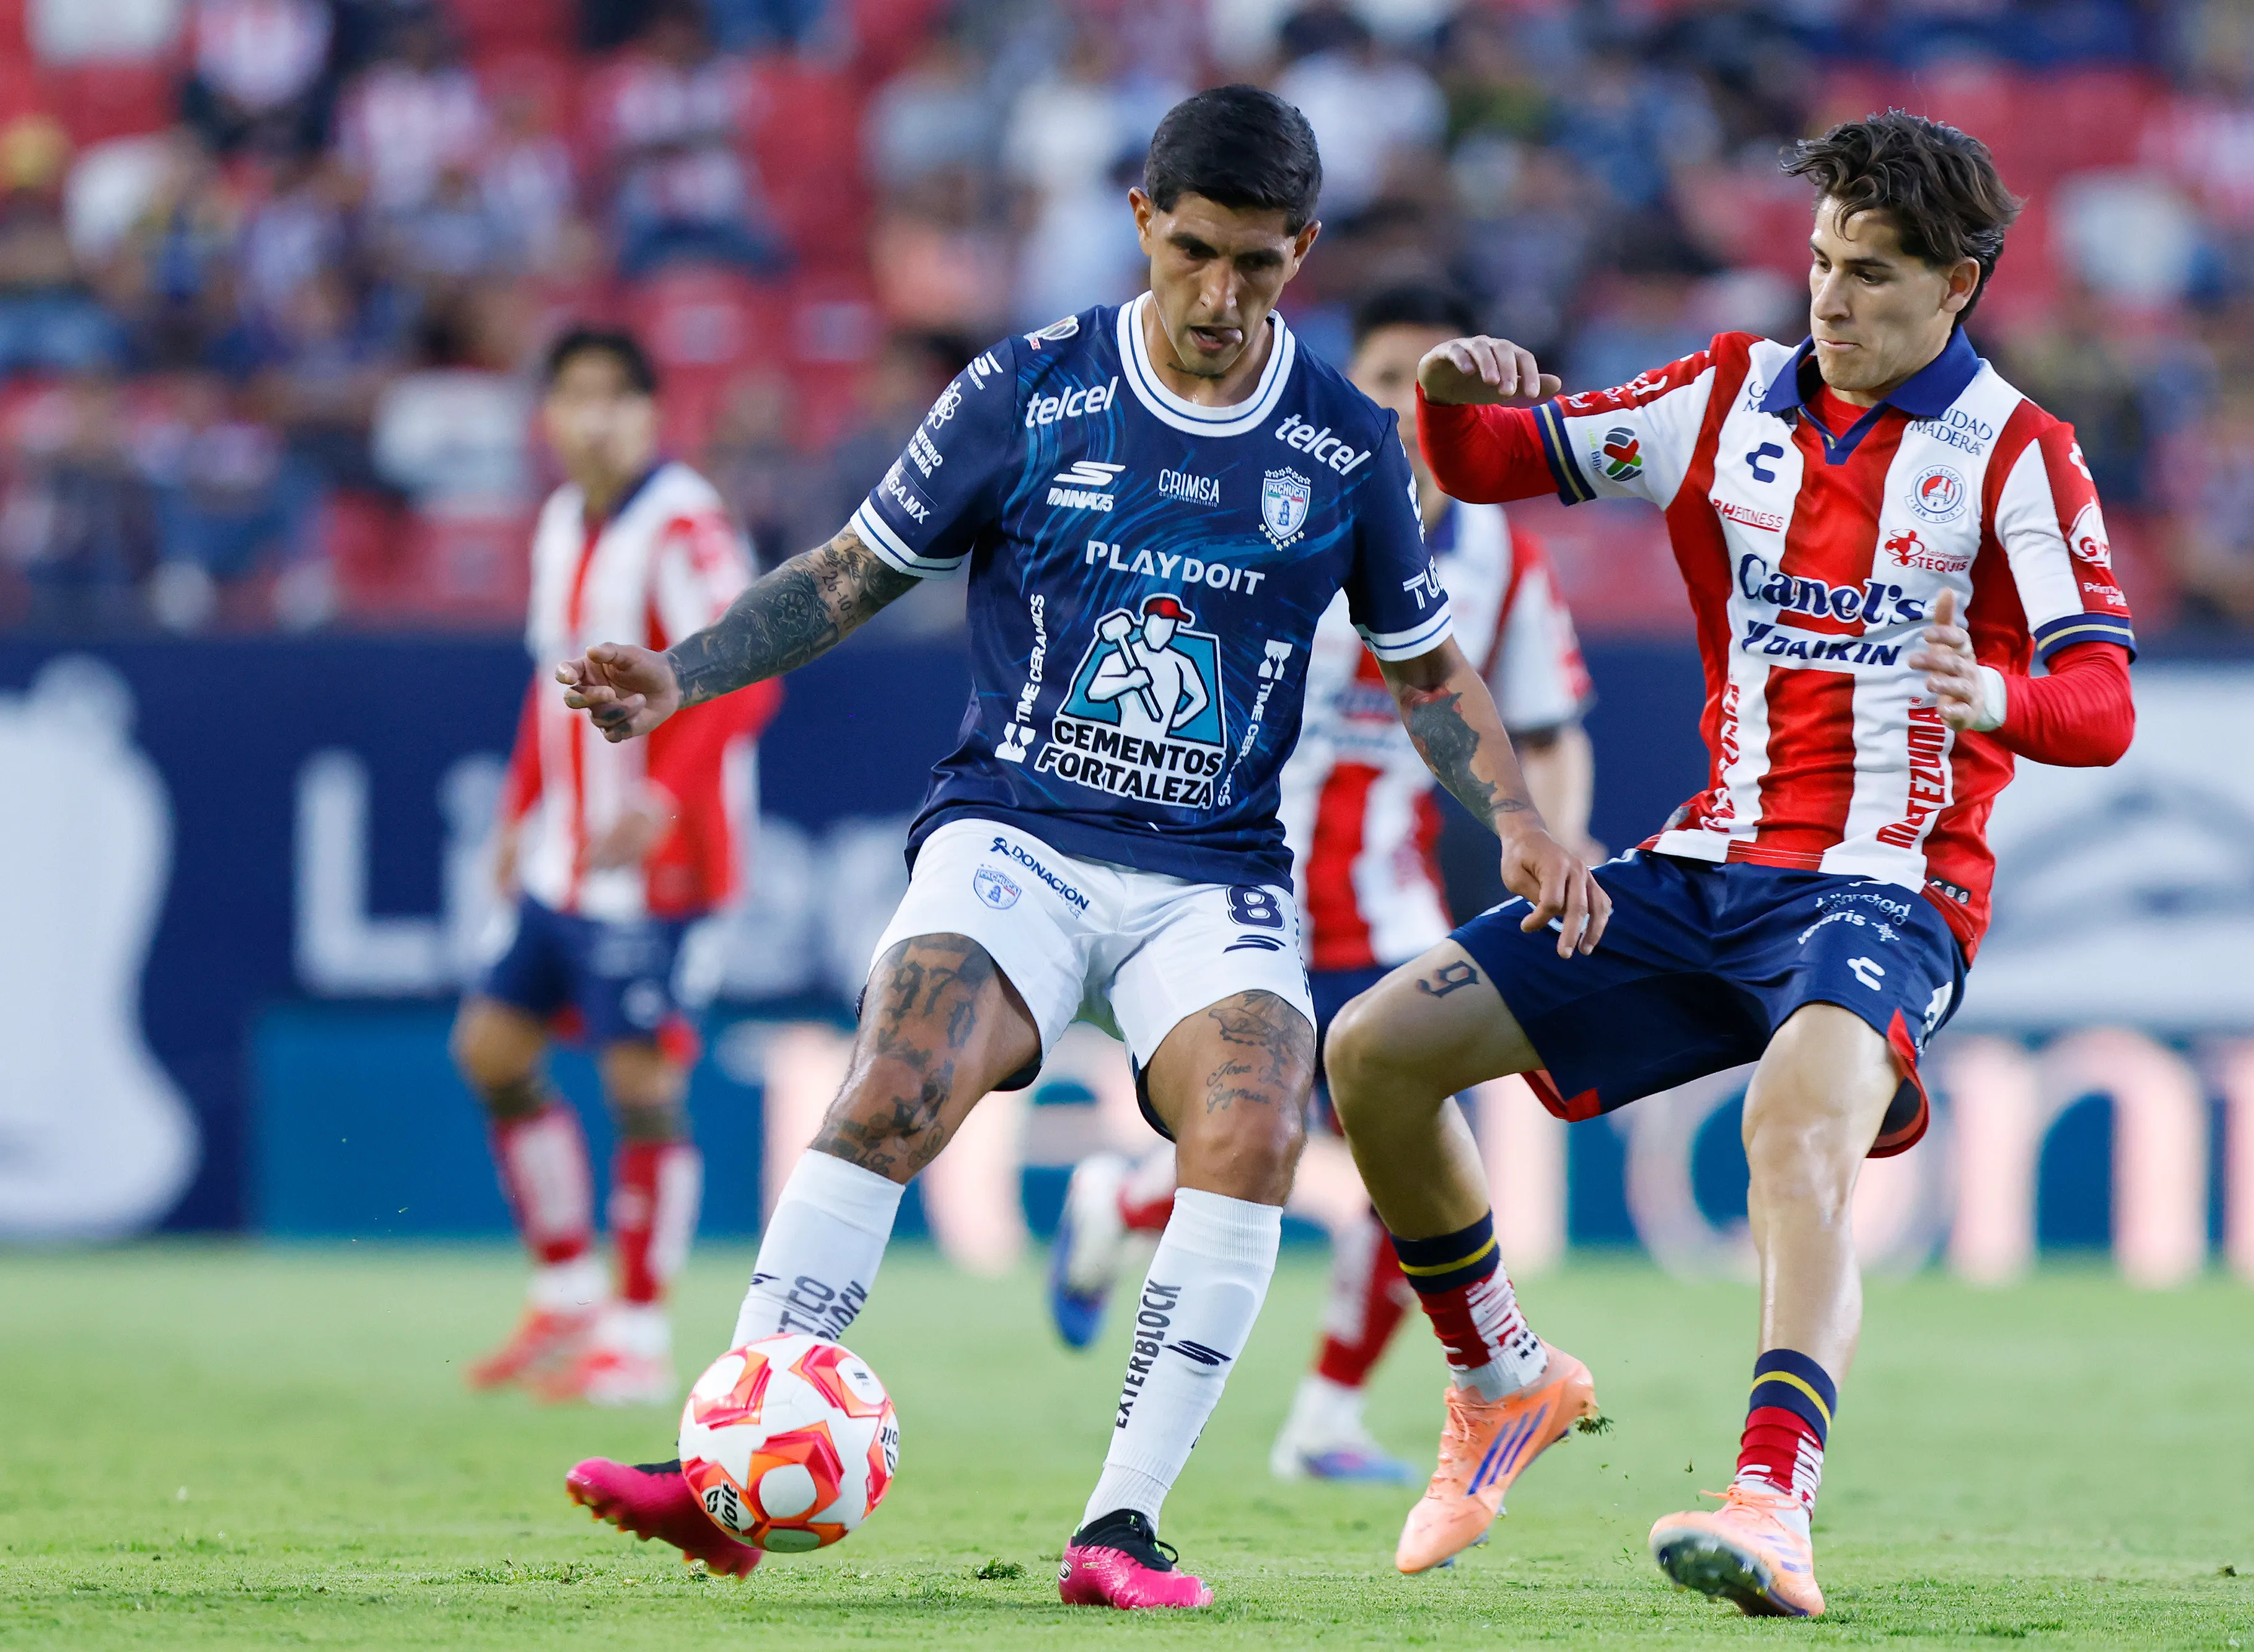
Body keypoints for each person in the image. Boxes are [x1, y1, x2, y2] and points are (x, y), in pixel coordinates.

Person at [551, 86, 1607, 1607]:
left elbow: (1429, 673)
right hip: (1019, 834)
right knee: (901, 1071)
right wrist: (682, 670)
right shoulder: (1027, 388)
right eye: (1193, 252)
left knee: (1255, 1119)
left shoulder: (1341, 444)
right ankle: (721, 1470)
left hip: (1214, 870)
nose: (1220, 295)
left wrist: (1512, 816)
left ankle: (1119, 1526)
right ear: (1141, 222)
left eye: (1257, 263)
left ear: (1302, 250)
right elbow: (849, 573)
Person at [1320, 111, 2140, 1615]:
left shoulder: (2019, 455)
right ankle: (1499, 1374)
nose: (1829, 298)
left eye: (1871, 274)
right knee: (1372, 1050)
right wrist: (1444, 391)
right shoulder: (1718, 394)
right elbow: (1486, 461)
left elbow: (2101, 703)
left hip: (1888, 888)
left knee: (1791, 1117)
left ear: (1956, 284)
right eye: (1820, 262)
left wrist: (1993, 696)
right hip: (1703, 865)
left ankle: (1771, 1500)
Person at [1045, 280, 1600, 1489]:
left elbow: (1549, 726)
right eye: (1388, 381)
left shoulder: (1503, 559)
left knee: (1424, 1163)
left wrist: (1560, 834)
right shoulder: (1277, 508)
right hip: (1248, 888)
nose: (1411, 408)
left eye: (1438, 385)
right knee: (1262, 1136)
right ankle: (1130, 1206)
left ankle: (1319, 1416)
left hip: (1389, 903)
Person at [455, 326, 779, 1407]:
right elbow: (546, 688)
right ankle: (566, 1294)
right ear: (546, 417)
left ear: (651, 413)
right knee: (491, 1047)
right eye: (574, 395)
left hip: (664, 863)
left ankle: (637, 1338)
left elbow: (747, 671)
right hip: (569, 857)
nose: (594, 418)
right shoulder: (561, 521)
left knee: (642, 1082)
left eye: (615, 396)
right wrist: (520, 809)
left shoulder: (684, 522)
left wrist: (661, 796)